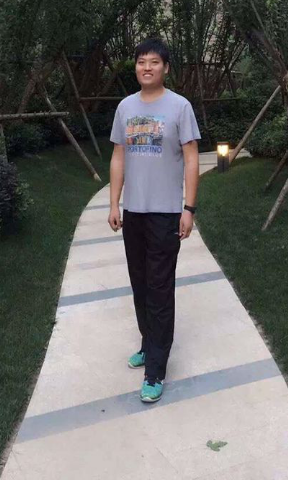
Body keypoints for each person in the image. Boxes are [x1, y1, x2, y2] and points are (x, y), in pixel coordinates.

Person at [108, 37, 201, 403]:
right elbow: (118, 156)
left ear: (165, 68)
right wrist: (114, 204)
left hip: (165, 214)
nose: (146, 67)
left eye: (154, 62)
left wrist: (188, 208)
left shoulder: (180, 106)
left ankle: (156, 371)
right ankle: (149, 344)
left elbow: (192, 158)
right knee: (141, 284)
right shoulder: (125, 107)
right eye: (141, 62)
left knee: (160, 289)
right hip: (134, 212)